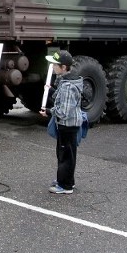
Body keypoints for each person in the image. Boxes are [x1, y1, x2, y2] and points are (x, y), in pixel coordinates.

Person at [40, 50, 84, 195]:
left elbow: (64, 111)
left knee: (65, 155)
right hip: (68, 125)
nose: (52, 66)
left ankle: (65, 186)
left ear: (64, 67)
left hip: (67, 125)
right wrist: (52, 90)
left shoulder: (68, 86)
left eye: (55, 64)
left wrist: (48, 111)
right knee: (66, 154)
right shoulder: (66, 81)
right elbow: (62, 99)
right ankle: (66, 180)